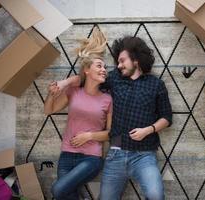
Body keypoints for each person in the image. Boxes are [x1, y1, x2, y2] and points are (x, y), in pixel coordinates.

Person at [60, 36, 172, 200]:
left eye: (122, 60)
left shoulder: (156, 84)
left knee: (156, 195)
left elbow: (166, 117)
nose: (118, 65)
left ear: (136, 59)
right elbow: (85, 79)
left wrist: (148, 130)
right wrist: (65, 83)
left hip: (144, 155)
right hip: (116, 154)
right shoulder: (115, 79)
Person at [44, 29, 112, 200]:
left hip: (91, 159)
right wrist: (51, 94)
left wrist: (89, 136)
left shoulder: (108, 99)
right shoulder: (74, 92)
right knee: (67, 196)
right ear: (87, 71)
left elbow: (111, 133)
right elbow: (48, 110)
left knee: (58, 190)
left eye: (105, 67)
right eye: (99, 65)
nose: (104, 69)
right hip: (67, 155)